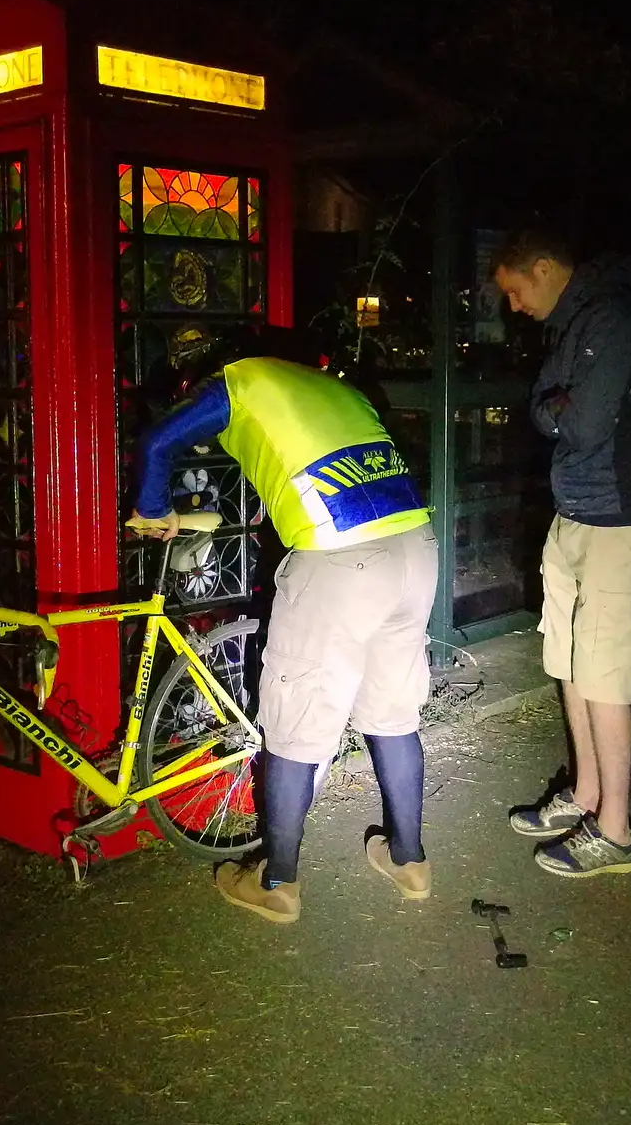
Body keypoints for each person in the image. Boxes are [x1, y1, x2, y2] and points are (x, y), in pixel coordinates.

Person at [130, 327, 439, 923]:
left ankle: (277, 883)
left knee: (294, 725)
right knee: (393, 716)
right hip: (415, 546)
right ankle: (409, 861)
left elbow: (158, 444)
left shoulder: (235, 385)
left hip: (339, 555)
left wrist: (151, 513)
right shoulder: (325, 385)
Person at [491, 228, 631, 878]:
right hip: (577, 510)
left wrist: (553, 406)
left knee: (604, 677)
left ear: (544, 268)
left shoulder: (611, 317)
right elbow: (548, 406)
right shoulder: (580, 323)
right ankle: (587, 795)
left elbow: (579, 421)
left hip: (622, 517)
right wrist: (553, 404)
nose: (513, 306)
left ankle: (617, 831)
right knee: (571, 663)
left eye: (516, 291)